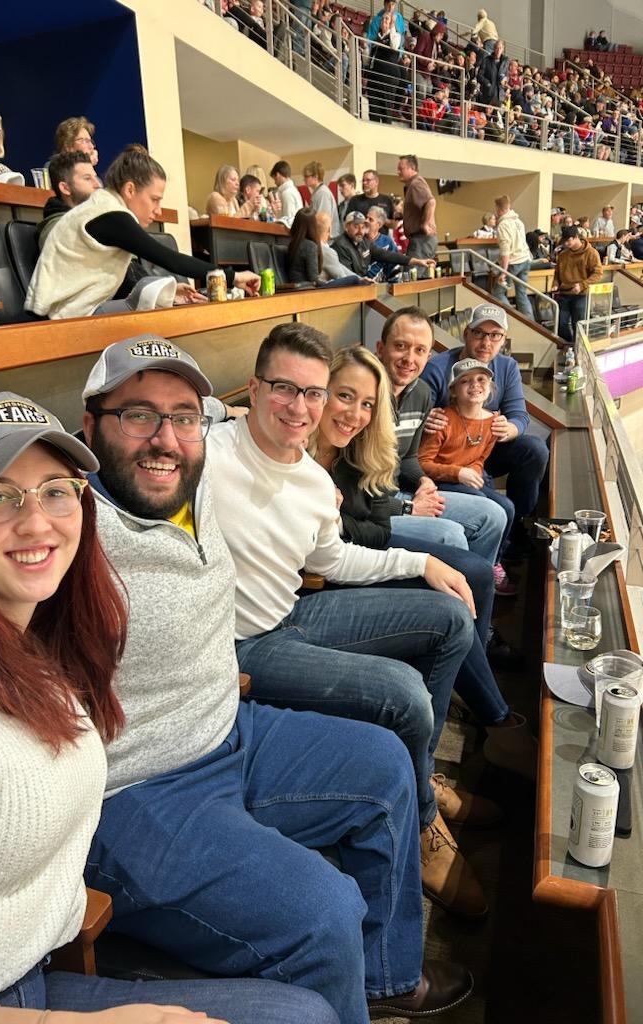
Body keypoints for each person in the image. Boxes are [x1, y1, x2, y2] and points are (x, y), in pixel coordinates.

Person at [0, 347, 473, 1023]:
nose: (164, 438)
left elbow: (232, 414)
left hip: (230, 727)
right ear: (92, 426)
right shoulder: (61, 524)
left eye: (182, 417)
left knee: (385, 765)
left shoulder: (193, 473)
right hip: (138, 784)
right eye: (137, 415)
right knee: (323, 909)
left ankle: (386, 979)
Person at [206, 323, 495, 921]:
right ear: (254, 391)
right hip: (241, 647)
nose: (301, 406)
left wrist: (422, 560)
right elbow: (164, 421)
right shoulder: (208, 447)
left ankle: (421, 776)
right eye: (285, 388)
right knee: (404, 694)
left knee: (449, 618)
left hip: (293, 612)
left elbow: (333, 559)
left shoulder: (314, 481)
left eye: (313, 393)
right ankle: (421, 820)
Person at [309, 345, 534, 772]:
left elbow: (378, 523)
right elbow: (331, 549)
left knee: (475, 572)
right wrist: (344, 526)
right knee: (456, 591)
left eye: (367, 404)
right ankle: (493, 716)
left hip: (364, 549)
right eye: (343, 396)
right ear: (319, 392)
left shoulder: (359, 448)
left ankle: (481, 689)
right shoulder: (300, 454)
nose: (355, 413)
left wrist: (350, 522)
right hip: (331, 575)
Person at [25, 145, 259, 319]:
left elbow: (112, 281)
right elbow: (170, 260)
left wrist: (168, 293)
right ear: (130, 189)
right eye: (154, 199)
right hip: (56, 318)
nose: (158, 210)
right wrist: (234, 277)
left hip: (66, 311)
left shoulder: (103, 207)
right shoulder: (109, 214)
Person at [375, 306, 509, 569]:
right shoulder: (366, 396)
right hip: (376, 505)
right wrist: (408, 508)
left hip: (403, 491)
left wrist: (423, 481)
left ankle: (475, 584)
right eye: (401, 346)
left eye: (420, 350)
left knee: (495, 515)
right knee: (452, 536)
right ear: (381, 348)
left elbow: (410, 458)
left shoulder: (421, 392)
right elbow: (355, 491)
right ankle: (458, 597)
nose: (409, 359)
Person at [421, 303, 550, 559]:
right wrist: (425, 419)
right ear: (466, 334)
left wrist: (510, 428)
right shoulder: (437, 369)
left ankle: (516, 528)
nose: (486, 342)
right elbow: (417, 420)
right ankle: (492, 550)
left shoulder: (507, 366)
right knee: (495, 504)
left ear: (503, 340)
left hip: (485, 450)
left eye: (495, 335)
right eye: (479, 333)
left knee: (535, 449)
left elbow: (519, 415)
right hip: (447, 457)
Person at [418, 357, 515, 565]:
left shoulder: (493, 422)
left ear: (490, 388)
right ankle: (472, 563)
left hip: (465, 479)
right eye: (465, 381)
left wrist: (474, 470)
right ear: (453, 390)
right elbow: (423, 463)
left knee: (507, 506)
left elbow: (480, 458)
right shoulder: (443, 420)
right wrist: (458, 473)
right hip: (441, 480)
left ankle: (493, 563)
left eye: (481, 379)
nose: (475, 385)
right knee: (485, 503)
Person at [331, 210, 431, 277]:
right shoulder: (340, 245)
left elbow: (386, 255)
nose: (360, 231)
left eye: (362, 227)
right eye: (356, 227)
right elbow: (347, 277)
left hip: (364, 287)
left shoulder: (364, 242)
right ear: (346, 227)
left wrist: (416, 261)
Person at [36, 150, 102, 249]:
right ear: (65, 188)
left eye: (95, 177)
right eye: (87, 178)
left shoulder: (97, 219)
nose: (97, 185)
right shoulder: (57, 229)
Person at [552, 224, 604, 344]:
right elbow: (557, 273)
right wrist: (555, 283)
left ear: (576, 237)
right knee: (560, 324)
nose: (566, 244)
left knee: (579, 325)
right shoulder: (563, 255)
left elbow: (598, 273)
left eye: (569, 240)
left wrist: (582, 285)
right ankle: (569, 346)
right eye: (564, 241)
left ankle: (578, 349)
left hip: (581, 295)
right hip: (563, 294)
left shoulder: (591, 253)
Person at [287, 208, 359, 286]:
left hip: (299, 286)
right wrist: (328, 283)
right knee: (354, 279)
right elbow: (314, 280)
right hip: (308, 289)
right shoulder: (310, 246)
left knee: (354, 278)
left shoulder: (294, 243)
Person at [491, 194, 534, 318]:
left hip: (513, 263)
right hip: (525, 260)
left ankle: (512, 318)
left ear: (499, 209)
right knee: (522, 294)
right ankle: (530, 323)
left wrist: (503, 272)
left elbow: (505, 251)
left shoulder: (503, 225)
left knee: (498, 292)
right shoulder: (518, 221)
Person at [396, 154, 437, 273]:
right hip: (420, 240)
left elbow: (431, 202)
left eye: (401, 168)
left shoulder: (416, 183)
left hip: (421, 239)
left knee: (413, 277)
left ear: (412, 168)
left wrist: (425, 224)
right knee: (417, 276)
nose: (398, 171)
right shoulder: (411, 185)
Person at [302, 160, 340, 236]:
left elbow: (322, 221)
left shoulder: (322, 193)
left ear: (315, 176)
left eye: (306, 176)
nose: (304, 179)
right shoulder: (318, 192)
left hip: (326, 238)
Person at [269, 159, 303, 227]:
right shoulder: (293, 190)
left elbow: (289, 221)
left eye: (274, 179)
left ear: (278, 175)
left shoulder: (287, 193)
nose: (274, 183)